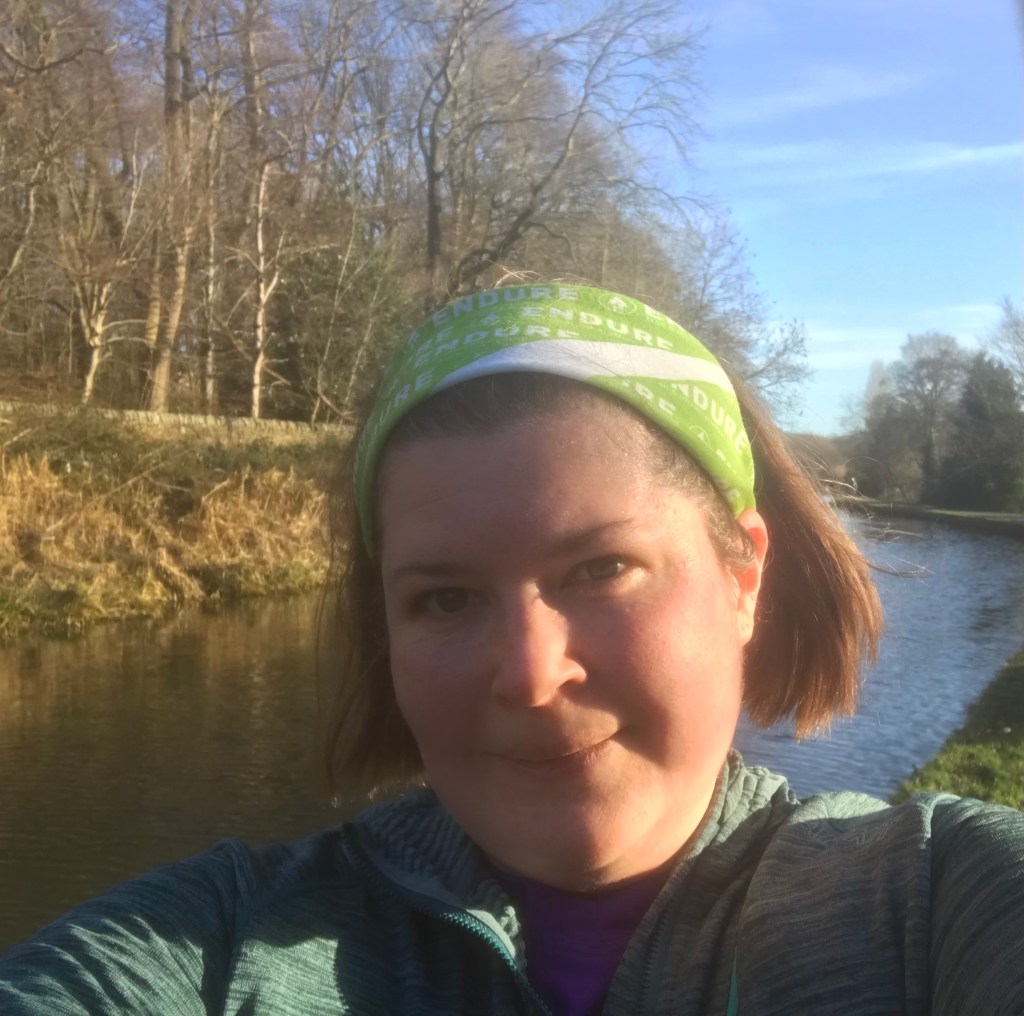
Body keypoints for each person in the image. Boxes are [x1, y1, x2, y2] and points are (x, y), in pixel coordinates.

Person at [1, 283, 1022, 1015]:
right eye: (445, 598)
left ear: (742, 576)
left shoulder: (935, 904)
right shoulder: (220, 948)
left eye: (602, 568)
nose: (531, 675)